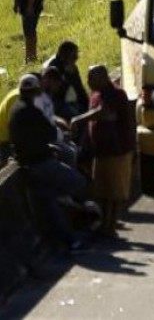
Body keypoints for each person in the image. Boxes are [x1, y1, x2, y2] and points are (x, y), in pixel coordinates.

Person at [9, 74, 94, 252]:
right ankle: (66, 202)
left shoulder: (16, 109)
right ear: (36, 91)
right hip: (40, 163)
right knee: (78, 182)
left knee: (50, 205)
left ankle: (70, 241)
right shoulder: (32, 111)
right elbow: (49, 133)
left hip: (28, 163)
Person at [71, 65, 135, 238]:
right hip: (101, 151)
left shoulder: (116, 94)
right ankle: (104, 225)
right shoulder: (96, 94)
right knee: (103, 191)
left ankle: (110, 226)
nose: (88, 82)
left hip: (117, 150)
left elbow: (105, 113)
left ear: (103, 77)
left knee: (114, 192)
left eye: (92, 78)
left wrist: (78, 119)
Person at [44, 40, 89, 119]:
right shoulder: (53, 68)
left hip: (65, 99)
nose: (76, 58)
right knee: (76, 112)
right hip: (53, 103)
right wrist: (69, 75)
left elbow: (79, 88)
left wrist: (87, 103)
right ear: (64, 56)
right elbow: (53, 92)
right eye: (74, 56)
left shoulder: (70, 66)